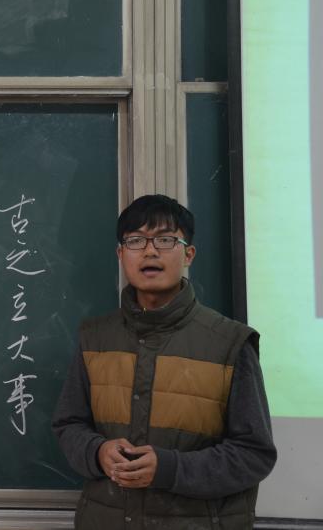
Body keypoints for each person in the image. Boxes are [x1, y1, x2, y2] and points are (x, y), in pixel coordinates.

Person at [52, 194, 276, 529]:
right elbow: (69, 424)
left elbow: (254, 454)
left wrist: (170, 469)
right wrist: (97, 452)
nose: (150, 251)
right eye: (135, 241)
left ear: (188, 254)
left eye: (165, 240)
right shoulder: (94, 337)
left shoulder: (230, 343)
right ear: (120, 254)